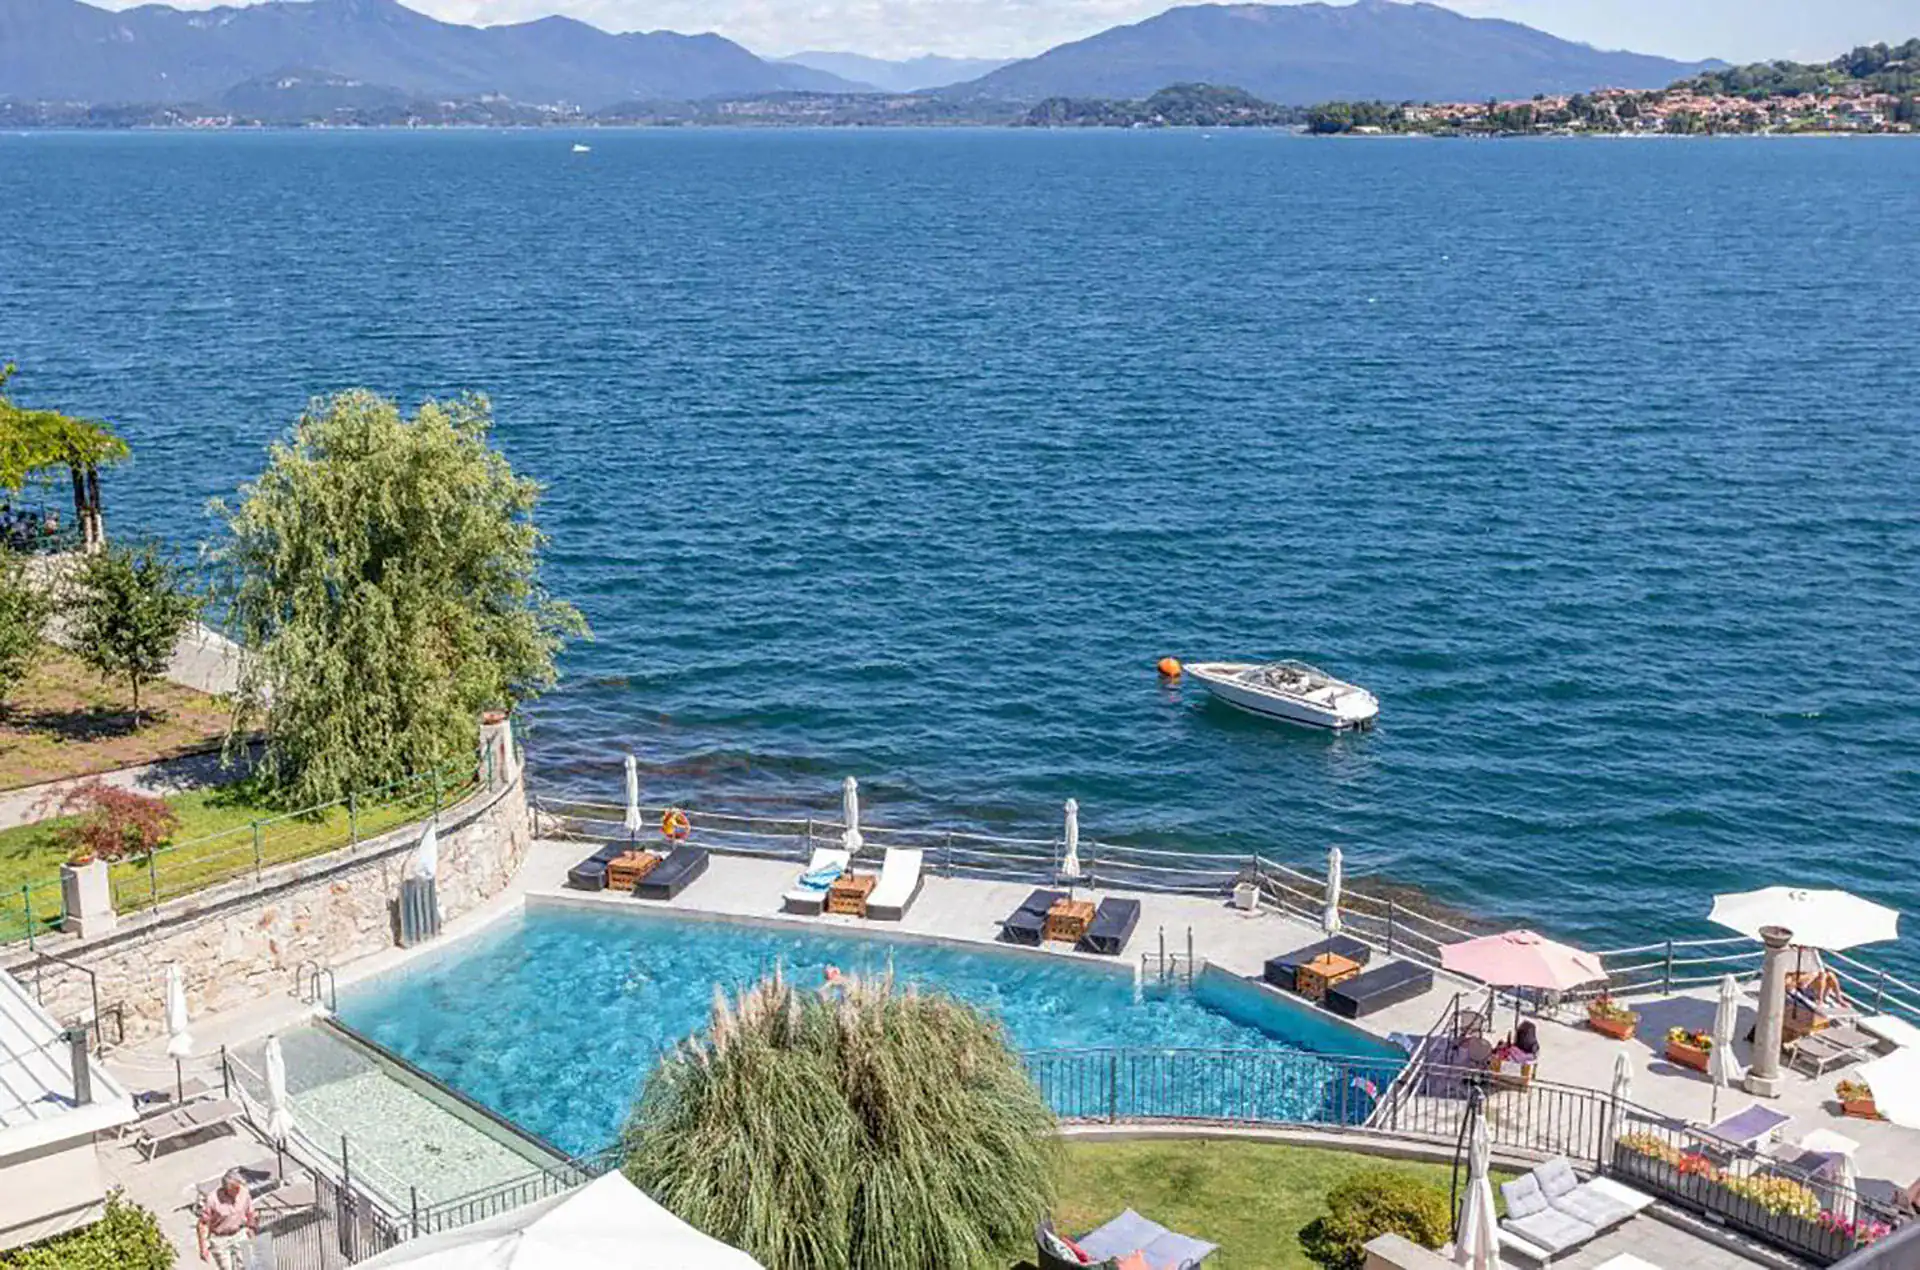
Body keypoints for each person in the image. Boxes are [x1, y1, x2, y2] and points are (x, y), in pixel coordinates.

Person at [197, 1168, 257, 1268]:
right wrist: (203, 1247)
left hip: (239, 1233)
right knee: (226, 1267)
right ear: (226, 1188)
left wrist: (252, 1229)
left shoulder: (244, 1193)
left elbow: (250, 1212)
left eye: (238, 1188)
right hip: (220, 1239)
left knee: (247, 1265)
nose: (237, 1192)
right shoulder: (212, 1199)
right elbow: (202, 1223)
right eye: (234, 1189)